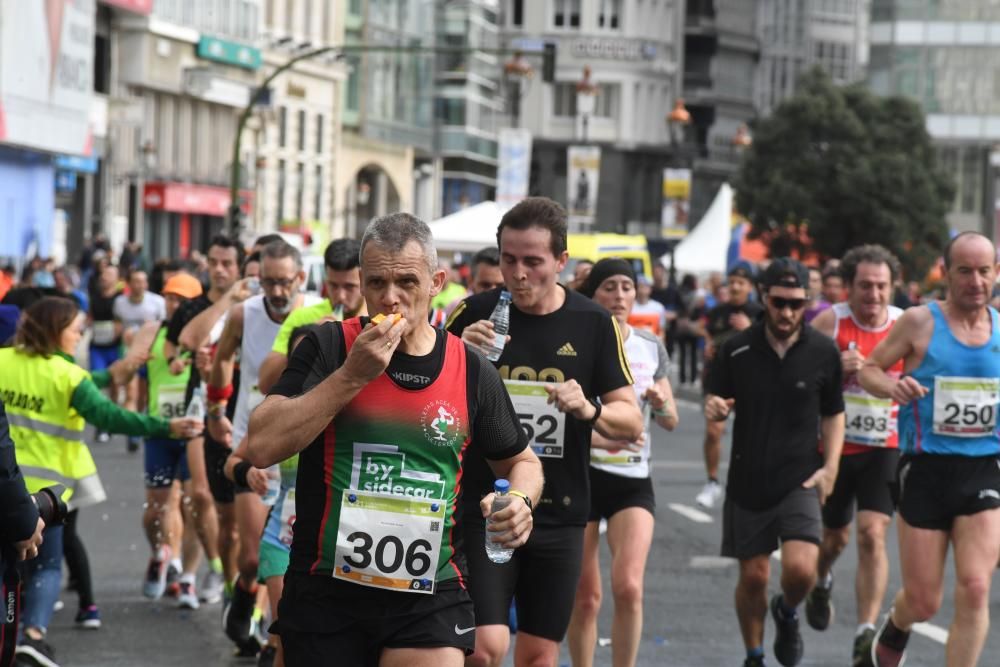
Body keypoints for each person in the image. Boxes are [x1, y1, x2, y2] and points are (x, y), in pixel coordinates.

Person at [249, 212, 543, 666]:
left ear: (436, 282)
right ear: (361, 284)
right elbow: (262, 444)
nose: (390, 298)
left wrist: (520, 501)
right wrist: (351, 377)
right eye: (376, 283)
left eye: (407, 281)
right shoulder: (329, 347)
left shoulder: (469, 369)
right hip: (327, 589)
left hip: (429, 593)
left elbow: (522, 461)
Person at [446, 197, 643, 667]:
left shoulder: (594, 323)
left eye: (533, 262)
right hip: (485, 504)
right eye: (508, 260)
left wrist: (587, 408)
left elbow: (630, 422)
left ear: (561, 261)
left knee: (537, 654)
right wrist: (454, 353)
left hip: (560, 509)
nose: (518, 274)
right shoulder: (472, 314)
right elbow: (422, 402)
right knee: (485, 647)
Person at [1, 296, 201, 667]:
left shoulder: (2, 361)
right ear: (55, 330)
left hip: (4, 486)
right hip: (45, 493)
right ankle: (31, 635)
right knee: (47, 565)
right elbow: (111, 417)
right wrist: (166, 426)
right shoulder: (68, 377)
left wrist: (122, 368)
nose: (80, 336)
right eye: (75, 330)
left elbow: (98, 384)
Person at [859, 232, 1000, 667]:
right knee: (923, 601)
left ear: (995, 274)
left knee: (976, 587)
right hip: (925, 468)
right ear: (946, 273)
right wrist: (892, 385)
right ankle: (897, 623)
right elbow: (869, 370)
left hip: (984, 469)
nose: (975, 281)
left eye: (984, 271)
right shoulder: (920, 322)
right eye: (965, 271)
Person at [705, 258, 845, 667]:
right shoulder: (736, 348)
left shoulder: (823, 351)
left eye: (796, 304)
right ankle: (754, 655)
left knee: (801, 571)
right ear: (763, 297)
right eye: (779, 302)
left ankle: (786, 611)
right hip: (749, 479)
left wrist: (831, 466)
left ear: (808, 302)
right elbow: (715, 397)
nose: (787, 313)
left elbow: (833, 413)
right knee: (754, 576)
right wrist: (715, 407)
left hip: (801, 479)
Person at [567, 258, 679, 667]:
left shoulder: (650, 346)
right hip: (581, 477)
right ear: (594, 295)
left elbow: (669, 422)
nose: (619, 296)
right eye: (609, 287)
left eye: (626, 287)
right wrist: (604, 431)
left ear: (637, 294)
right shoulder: (577, 341)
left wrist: (662, 404)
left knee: (629, 586)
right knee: (586, 596)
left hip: (632, 479)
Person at [206, 240, 314, 649]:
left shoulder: (315, 314)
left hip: (297, 436)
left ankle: (275, 639)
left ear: (300, 278)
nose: (277, 291)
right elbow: (221, 363)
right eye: (268, 282)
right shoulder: (243, 313)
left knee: (289, 557)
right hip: (252, 436)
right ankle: (245, 588)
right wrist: (216, 412)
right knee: (252, 555)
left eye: (285, 282)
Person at [804, 245, 903, 665]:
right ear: (849, 286)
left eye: (881, 286)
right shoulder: (831, 321)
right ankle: (821, 579)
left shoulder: (904, 325)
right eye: (865, 285)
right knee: (835, 537)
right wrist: (834, 370)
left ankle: (865, 631)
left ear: (892, 287)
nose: (873, 294)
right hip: (837, 448)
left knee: (872, 534)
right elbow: (801, 381)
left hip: (886, 446)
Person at [164, 234, 244, 605]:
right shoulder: (196, 305)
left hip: (242, 404)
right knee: (199, 492)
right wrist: (228, 297)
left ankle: (231, 570)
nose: (219, 269)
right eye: (213, 262)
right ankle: (214, 565)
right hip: (199, 405)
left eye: (227, 263)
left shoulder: (255, 306)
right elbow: (186, 340)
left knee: (237, 504)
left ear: (239, 265)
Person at [141, 273, 204, 608]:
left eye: (181, 300)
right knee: (154, 510)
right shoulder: (153, 335)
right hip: (159, 430)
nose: (174, 305)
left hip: (194, 431)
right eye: (169, 298)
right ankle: (161, 553)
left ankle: (185, 574)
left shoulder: (207, 337)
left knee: (185, 501)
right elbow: (139, 379)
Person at [256, 238, 366, 395]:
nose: (340, 296)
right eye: (333, 286)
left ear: (364, 281)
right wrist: (307, 340)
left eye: (350, 287)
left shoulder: (377, 319)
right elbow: (265, 384)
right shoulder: (302, 317)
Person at [697, 262, 762, 509]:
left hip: (751, 380)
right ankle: (712, 481)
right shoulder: (717, 312)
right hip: (719, 379)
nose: (735, 286)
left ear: (750, 287)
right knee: (714, 432)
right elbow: (706, 334)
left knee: (752, 436)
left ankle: (751, 481)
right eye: (732, 281)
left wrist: (749, 329)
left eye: (741, 283)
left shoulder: (759, 313)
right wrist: (709, 346)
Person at [113, 269, 166, 453]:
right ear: (129, 283)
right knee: (131, 395)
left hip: (150, 355)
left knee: (143, 398)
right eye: (136, 281)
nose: (140, 285)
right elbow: (117, 327)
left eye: (143, 281)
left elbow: (163, 329)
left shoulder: (157, 302)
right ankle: (133, 436)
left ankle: (138, 424)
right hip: (130, 353)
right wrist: (124, 336)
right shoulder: (120, 303)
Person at [88, 264, 124, 443]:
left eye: (109, 274)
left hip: (115, 347)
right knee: (97, 383)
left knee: (115, 385)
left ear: (117, 279)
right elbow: (90, 317)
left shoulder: (120, 299)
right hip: (97, 347)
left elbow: (123, 320)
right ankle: (100, 423)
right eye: (103, 274)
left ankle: (111, 418)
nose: (104, 277)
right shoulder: (94, 296)